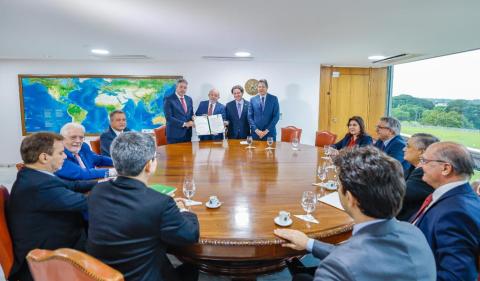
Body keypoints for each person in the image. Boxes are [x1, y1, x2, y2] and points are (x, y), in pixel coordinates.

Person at [274, 146, 436, 281]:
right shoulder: (414, 232)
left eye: (339, 185)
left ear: (350, 197)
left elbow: (352, 259)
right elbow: (368, 257)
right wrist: (309, 243)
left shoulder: (337, 268)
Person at [87, 132, 199, 281]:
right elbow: (190, 235)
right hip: (143, 276)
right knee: (192, 267)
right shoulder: (160, 203)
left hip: (100, 274)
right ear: (148, 165)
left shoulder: (97, 191)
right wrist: (184, 210)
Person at [7, 132, 95, 281]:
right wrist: (114, 190)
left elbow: (73, 185)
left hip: (57, 238)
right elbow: (84, 202)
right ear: (44, 157)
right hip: (50, 256)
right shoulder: (38, 185)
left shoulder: (36, 175)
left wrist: (107, 182)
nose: (65, 156)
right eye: (60, 153)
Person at [413, 141, 480, 280]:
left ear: (446, 168)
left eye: (424, 161)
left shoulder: (456, 213)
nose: (420, 166)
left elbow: (456, 276)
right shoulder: (453, 198)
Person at [396, 133, 439, 221]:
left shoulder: (424, 174)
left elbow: (397, 194)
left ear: (422, 152)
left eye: (408, 146)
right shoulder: (413, 168)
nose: (403, 149)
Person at [164, 79, 194, 144]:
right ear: (176, 87)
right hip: (174, 135)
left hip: (187, 134)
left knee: (188, 154)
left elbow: (191, 114)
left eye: (185, 88)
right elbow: (168, 118)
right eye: (181, 87)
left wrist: (193, 118)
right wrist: (185, 124)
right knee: (174, 154)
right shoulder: (168, 99)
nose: (183, 89)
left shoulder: (189, 99)